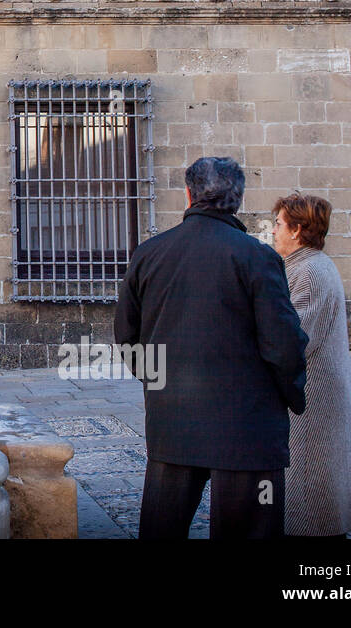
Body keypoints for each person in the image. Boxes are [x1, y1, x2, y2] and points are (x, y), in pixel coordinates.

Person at [116, 156, 308, 540]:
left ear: (188, 195)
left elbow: (127, 338)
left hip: (173, 421)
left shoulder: (149, 253)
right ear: (237, 199)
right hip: (247, 424)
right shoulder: (257, 256)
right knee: (250, 528)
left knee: (162, 528)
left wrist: (159, 383)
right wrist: (290, 392)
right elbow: (283, 342)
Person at [271, 193, 351, 538]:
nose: (273, 231)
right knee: (312, 487)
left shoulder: (309, 270)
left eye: (279, 224)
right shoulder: (304, 266)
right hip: (312, 393)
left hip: (313, 396)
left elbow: (298, 339)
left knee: (313, 493)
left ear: (298, 230)